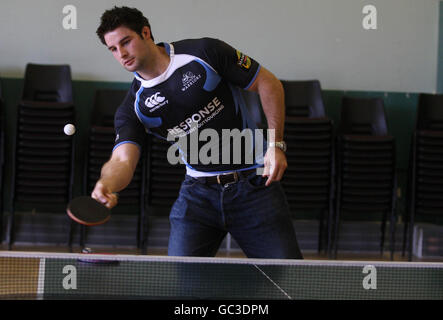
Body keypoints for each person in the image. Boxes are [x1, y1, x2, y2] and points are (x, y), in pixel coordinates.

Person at [93, 6, 303, 259]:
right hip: (197, 195)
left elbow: (268, 83)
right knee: (185, 286)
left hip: (255, 185)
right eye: (113, 49)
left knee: (289, 278)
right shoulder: (133, 108)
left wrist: (275, 145)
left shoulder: (204, 52)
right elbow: (122, 160)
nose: (122, 54)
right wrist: (107, 183)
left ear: (145, 33)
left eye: (126, 42)